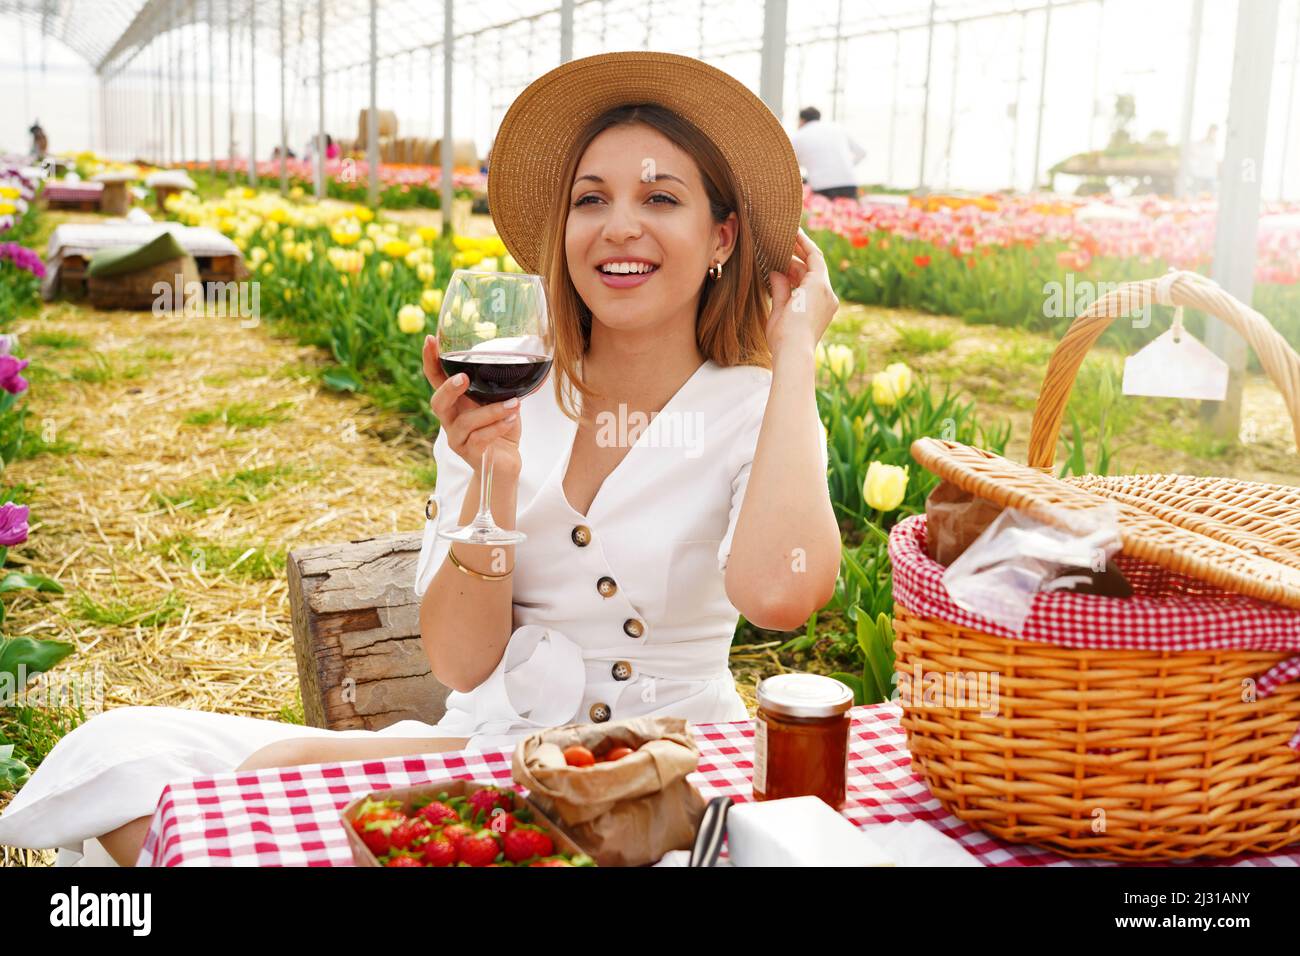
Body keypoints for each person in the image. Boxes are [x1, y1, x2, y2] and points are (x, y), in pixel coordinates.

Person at [0, 51, 841, 867]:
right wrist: (492, 482)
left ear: (722, 233)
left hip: (667, 773)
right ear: (564, 228)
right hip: (495, 752)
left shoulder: (755, 409)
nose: (620, 225)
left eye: (660, 197)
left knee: (243, 801)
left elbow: (781, 596)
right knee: (126, 753)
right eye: (591, 199)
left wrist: (793, 352)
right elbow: (460, 663)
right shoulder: (500, 395)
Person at [790, 106, 865, 201]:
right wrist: (847, 165)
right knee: (848, 213)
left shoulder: (797, 136)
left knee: (824, 213)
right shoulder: (838, 128)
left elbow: (791, 165)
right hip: (849, 182)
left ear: (802, 120)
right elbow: (862, 153)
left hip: (822, 186)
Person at [1187, 123, 1219, 196]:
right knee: (1196, 188)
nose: (1214, 133)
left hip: (1210, 170)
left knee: (1212, 189)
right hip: (1202, 169)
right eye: (1213, 131)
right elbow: (1194, 150)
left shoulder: (1213, 141)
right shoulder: (1203, 141)